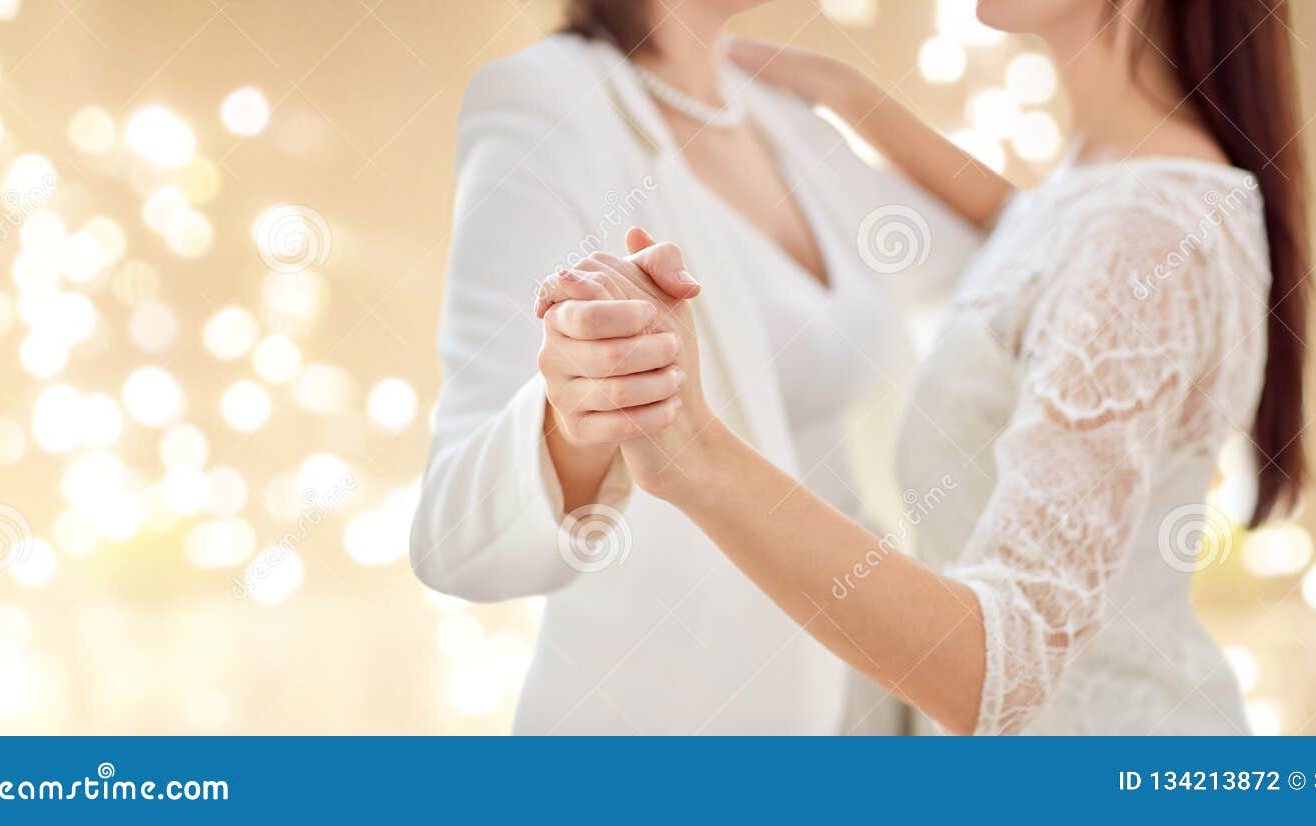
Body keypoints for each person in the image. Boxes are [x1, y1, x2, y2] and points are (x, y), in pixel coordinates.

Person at [535, 0, 1310, 734]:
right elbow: (1033, 231)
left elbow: (1001, 670)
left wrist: (694, 451)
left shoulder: (1138, 231)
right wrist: (851, 98)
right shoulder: (1112, 190)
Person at [408, 0, 980, 734]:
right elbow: (453, 537)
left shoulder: (781, 116)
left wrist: (857, 98)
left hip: (877, 697)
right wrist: (578, 414)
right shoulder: (546, 104)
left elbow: (1024, 253)